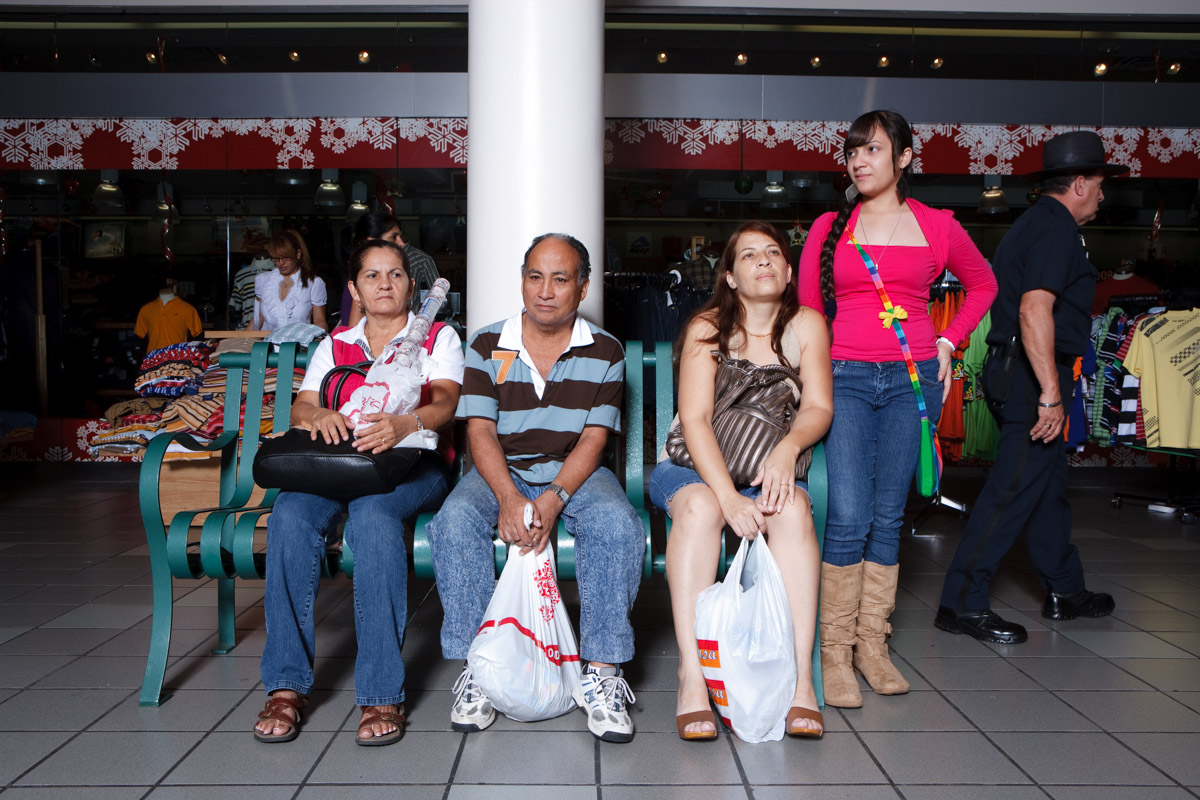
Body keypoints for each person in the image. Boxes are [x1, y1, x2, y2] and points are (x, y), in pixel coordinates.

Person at [798, 109, 998, 709]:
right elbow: (809, 312)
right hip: (847, 378)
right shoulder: (829, 227)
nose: (860, 161)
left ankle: (872, 646)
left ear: (905, 158)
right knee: (850, 514)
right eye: (853, 151)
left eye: (874, 150)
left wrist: (948, 339)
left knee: (889, 516)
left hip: (912, 383)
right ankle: (833, 654)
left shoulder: (937, 226)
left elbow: (983, 284)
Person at [425, 232, 645, 743]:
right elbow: (478, 430)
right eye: (534, 276)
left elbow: (593, 440)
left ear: (583, 286)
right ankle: (478, 670)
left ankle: (604, 674)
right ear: (522, 280)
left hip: (573, 471)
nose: (545, 290)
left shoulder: (605, 350)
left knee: (617, 524)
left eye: (561, 279)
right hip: (500, 469)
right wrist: (508, 496)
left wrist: (552, 498)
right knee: (453, 521)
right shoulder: (486, 343)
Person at [252, 239, 464, 746]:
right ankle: (285, 684)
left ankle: (380, 691)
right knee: (289, 516)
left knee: (372, 519)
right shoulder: (335, 343)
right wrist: (320, 414)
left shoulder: (437, 337)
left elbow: (448, 405)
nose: (384, 284)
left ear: (412, 285)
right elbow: (302, 408)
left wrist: (404, 422)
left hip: (413, 464)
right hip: (339, 464)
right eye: (372, 276)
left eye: (395, 274)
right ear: (354, 288)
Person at [935, 131, 1124, 643]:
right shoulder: (1053, 229)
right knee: (1012, 489)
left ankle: (1065, 588)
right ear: (1080, 183)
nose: (1104, 196)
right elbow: (1033, 309)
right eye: (1100, 185)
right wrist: (1050, 392)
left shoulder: (1042, 224)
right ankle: (961, 602)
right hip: (1031, 375)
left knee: (1045, 487)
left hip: (1023, 369)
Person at [651, 220, 833, 740]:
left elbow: (818, 407)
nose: (764, 261)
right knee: (700, 509)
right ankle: (692, 677)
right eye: (749, 255)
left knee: (794, 510)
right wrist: (727, 496)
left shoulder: (807, 326)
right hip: (692, 470)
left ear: (789, 269)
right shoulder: (707, 328)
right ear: (730, 276)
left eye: (773, 252)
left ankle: (801, 685)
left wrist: (788, 449)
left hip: (764, 472)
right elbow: (695, 419)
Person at [341, 211, 441, 327]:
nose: (401, 243)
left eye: (396, 275)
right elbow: (354, 333)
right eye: (394, 237)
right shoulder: (363, 280)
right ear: (372, 241)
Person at [252, 229, 328, 332]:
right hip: (268, 346)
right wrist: (242, 342)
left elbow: (319, 321)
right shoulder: (264, 280)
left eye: (286, 258)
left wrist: (318, 342)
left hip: (300, 346)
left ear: (298, 254)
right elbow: (258, 320)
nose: (281, 263)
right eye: (276, 258)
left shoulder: (314, 283)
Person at [134, 275, 202, 353]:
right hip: (153, 358)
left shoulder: (188, 309)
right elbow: (140, 333)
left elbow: (196, 332)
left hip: (178, 358)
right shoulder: (146, 309)